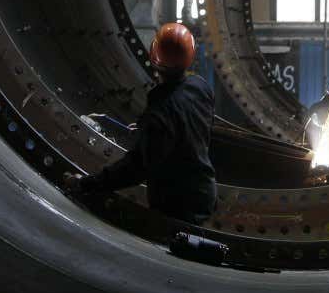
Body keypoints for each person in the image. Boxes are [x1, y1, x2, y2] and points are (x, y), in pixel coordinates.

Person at [63, 22, 216, 225]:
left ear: (154, 59)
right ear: (191, 56)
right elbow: (188, 125)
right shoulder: (201, 88)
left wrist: (85, 184)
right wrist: (151, 130)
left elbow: (135, 169)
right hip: (205, 190)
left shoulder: (160, 111)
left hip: (177, 205)